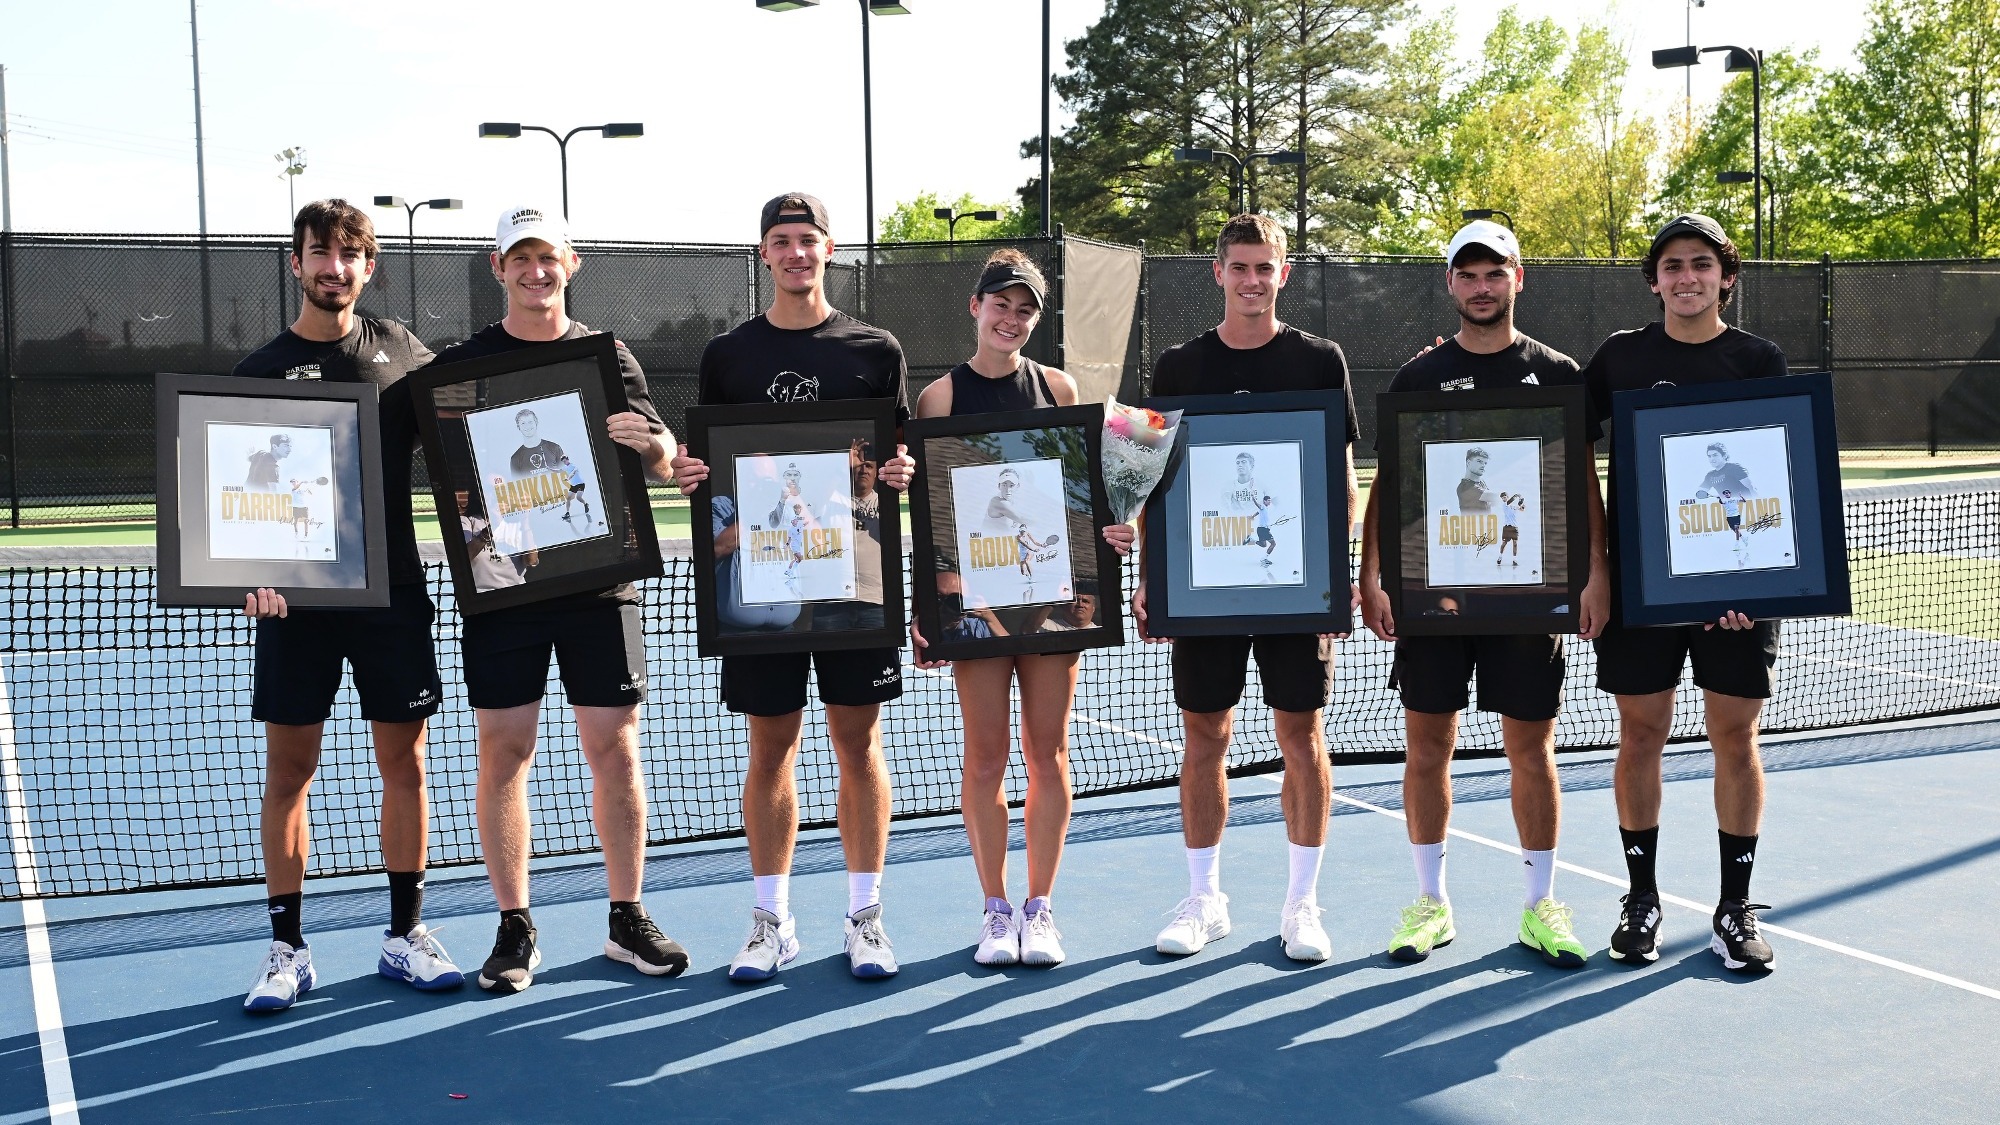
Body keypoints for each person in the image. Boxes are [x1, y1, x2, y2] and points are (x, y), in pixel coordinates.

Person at [430, 205, 688, 993]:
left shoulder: (608, 356)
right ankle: (514, 927)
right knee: (504, 750)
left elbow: (664, 456)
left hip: (599, 584)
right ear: (497, 266)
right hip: (505, 587)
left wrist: (654, 444)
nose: (536, 271)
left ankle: (626, 918)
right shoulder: (461, 367)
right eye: (521, 257)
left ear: (571, 263)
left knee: (615, 744)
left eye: (549, 257)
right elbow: (435, 454)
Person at [671, 193, 918, 982]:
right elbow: (712, 469)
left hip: (853, 585)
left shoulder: (875, 348)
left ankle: (865, 916)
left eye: (808, 240)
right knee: (771, 746)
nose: (796, 253)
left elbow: (893, 462)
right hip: (762, 584)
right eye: (781, 242)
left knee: (858, 743)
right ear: (764, 254)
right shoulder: (728, 354)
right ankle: (771, 920)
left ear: (829, 249)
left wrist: (899, 472)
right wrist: (689, 470)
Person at [1358, 218, 1605, 968]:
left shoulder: (1559, 373)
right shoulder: (1416, 381)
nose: (1481, 287)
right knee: (1427, 746)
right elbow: (1390, 488)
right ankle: (1431, 901)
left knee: (1531, 747)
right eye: (1467, 275)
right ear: (1451, 286)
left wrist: (1597, 570)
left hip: (1530, 602)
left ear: (1518, 278)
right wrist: (1369, 572)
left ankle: (1540, 907)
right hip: (1437, 600)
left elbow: (1580, 485)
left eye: (1494, 273)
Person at [231, 199, 457, 1012]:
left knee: (407, 764)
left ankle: (406, 935)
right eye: (319, 253)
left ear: (370, 266)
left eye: (350, 254)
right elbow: (230, 506)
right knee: (290, 772)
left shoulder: (403, 352)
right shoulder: (257, 373)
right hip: (295, 607)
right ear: (295, 264)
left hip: (391, 598)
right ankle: (287, 947)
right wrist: (244, 577)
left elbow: (465, 436)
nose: (335, 267)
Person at [1134, 213, 1358, 964]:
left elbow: (1340, 480)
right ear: (1218, 273)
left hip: (1298, 588)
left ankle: (1302, 903)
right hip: (1205, 590)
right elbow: (1151, 479)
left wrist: (1339, 579)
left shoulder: (1322, 359)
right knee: (1206, 737)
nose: (1253, 280)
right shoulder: (1177, 365)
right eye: (1240, 267)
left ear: (1283, 273)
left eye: (1266, 267)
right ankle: (1205, 899)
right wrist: (1152, 582)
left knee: (1301, 736)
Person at [908, 249, 1134, 968]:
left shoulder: (1059, 386)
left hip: (1052, 600)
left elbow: (1082, 492)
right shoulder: (938, 399)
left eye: (1026, 309)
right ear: (975, 307)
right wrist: (927, 610)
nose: (1012, 318)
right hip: (974, 608)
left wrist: (1111, 531)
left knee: (1048, 753)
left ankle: (1040, 907)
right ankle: (996, 909)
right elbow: (930, 513)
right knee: (986, 758)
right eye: (1000, 304)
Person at [1585, 214, 1789, 973]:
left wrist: (1754, 578)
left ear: (1726, 277)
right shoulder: (1619, 358)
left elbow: (1778, 468)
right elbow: (1565, 447)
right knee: (1640, 736)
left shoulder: (1758, 358)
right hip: (1640, 589)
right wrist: (1599, 566)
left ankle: (1734, 907)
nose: (1686, 277)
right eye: (1671, 265)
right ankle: (1642, 898)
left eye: (1701, 263)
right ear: (1654, 280)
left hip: (1736, 586)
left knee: (1735, 737)